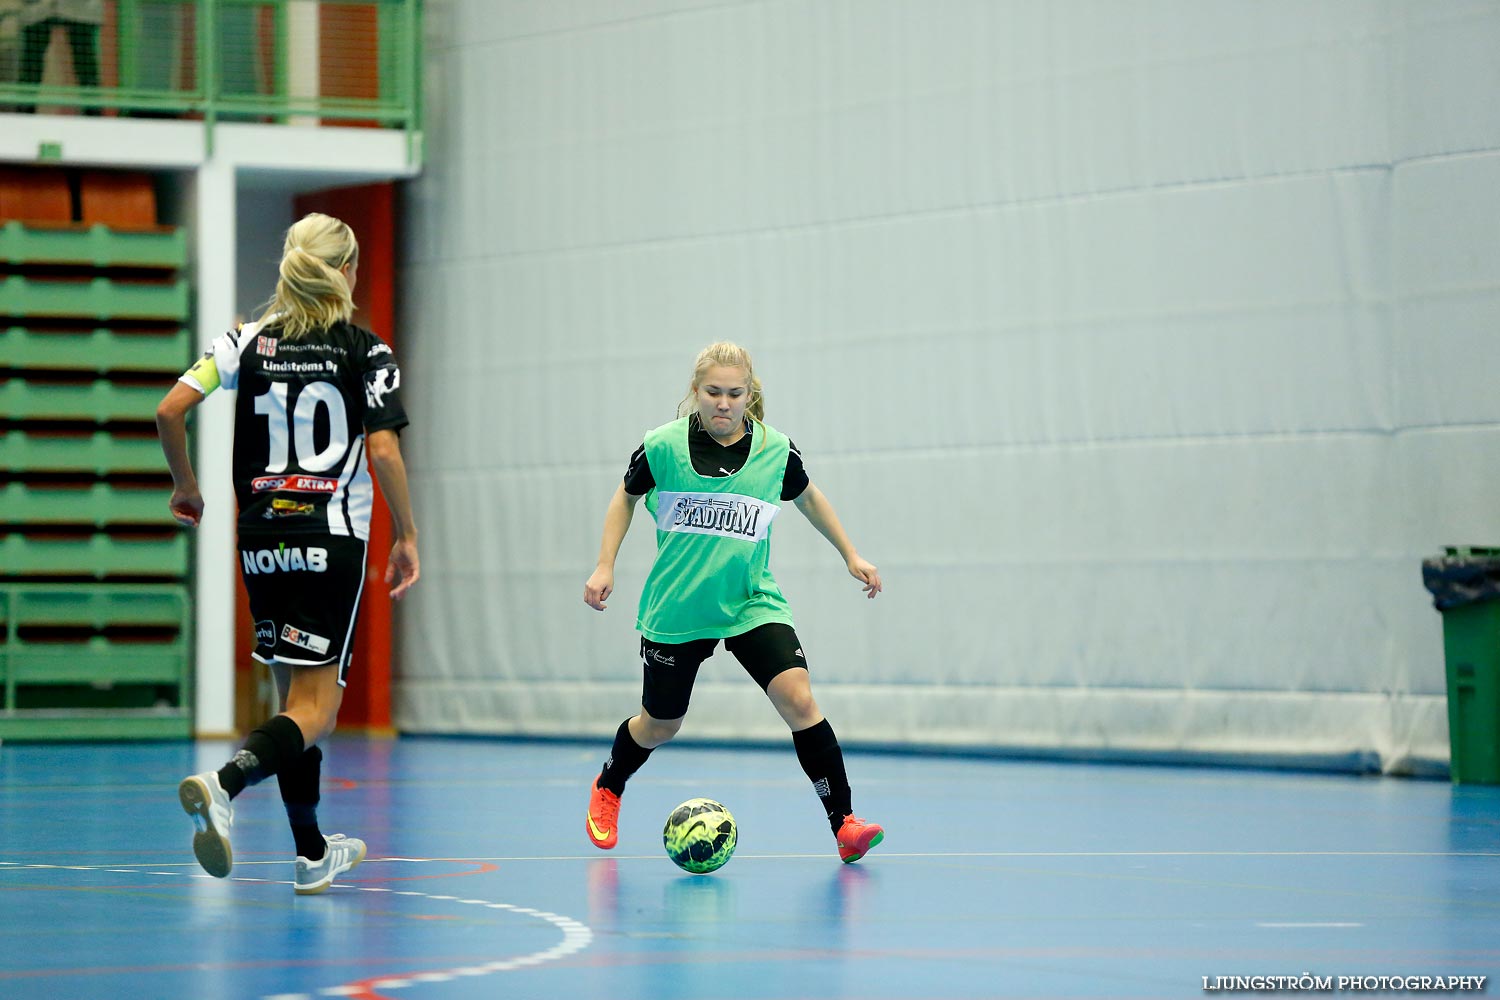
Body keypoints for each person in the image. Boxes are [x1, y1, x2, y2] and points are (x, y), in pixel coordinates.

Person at [155, 213, 419, 895]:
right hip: (330, 537)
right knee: (317, 709)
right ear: (348, 270)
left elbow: (168, 410)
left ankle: (309, 853)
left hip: (261, 535)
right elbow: (384, 448)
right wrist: (408, 533)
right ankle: (224, 783)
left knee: (292, 700)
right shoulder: (367, 349)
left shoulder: (245, 341)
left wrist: (187, 485)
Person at [582, 342, 886, 863]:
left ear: (750, 394)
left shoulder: (776, 452)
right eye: (713, 392)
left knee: (799, 699)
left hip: (750, 600)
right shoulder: (662, 448)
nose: (723, 403)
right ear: (696, 393)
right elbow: (624, 497)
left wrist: (850, 554)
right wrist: (605, 563)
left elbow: (809, 497)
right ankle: (610, 783)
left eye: (734, 393)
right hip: (679, 606)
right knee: (661, 724)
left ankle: (845, 824)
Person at [17, 0, 103, 115]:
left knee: (85, 65)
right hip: (38, 8)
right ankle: (23, 115)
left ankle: (94, 116)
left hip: (82, 8)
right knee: (31, 65)